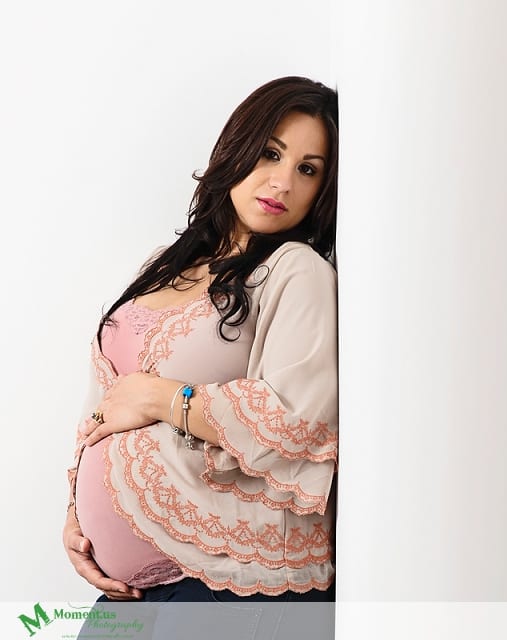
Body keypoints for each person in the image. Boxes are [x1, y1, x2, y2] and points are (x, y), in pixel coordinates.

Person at [62, 76, 339, 636]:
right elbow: (106, 405)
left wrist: (160, 397)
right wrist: (76, 512)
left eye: (308, 169)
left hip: (231, 587)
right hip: (132, 594)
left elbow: (298, 421)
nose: (282, 182)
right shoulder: (161, 264)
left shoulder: (295, 270)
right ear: (237, 146)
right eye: (271, 153)